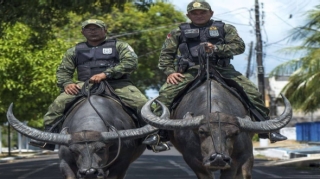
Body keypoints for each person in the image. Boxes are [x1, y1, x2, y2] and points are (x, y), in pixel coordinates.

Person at [142, 0, 287, 152]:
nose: (198, 15)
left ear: (211, 13)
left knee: (252, 92)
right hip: (191, 71)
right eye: (194, 13)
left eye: (203, 12)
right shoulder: (178, 32)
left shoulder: (226, 28)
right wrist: (170, 72)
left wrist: (216, 49)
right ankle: (156, 133)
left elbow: (239, 46)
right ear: (188, 15)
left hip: (222, 69)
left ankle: (268, 128)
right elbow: (165, 55)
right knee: (165, 95)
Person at [31, 19, 148, 150]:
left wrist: (106, 74)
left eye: (96, 28)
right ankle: (49, 137)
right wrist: (67, 84)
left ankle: (152, 135)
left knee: (142, 103)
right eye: (88, 29)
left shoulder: (119, 45)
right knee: (58, 104)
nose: (92, 31)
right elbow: (63, 71)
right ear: (83, 32)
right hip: (85, 85)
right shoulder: (74, 50)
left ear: (105, 30)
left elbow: (131, 62)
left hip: (118, 84)